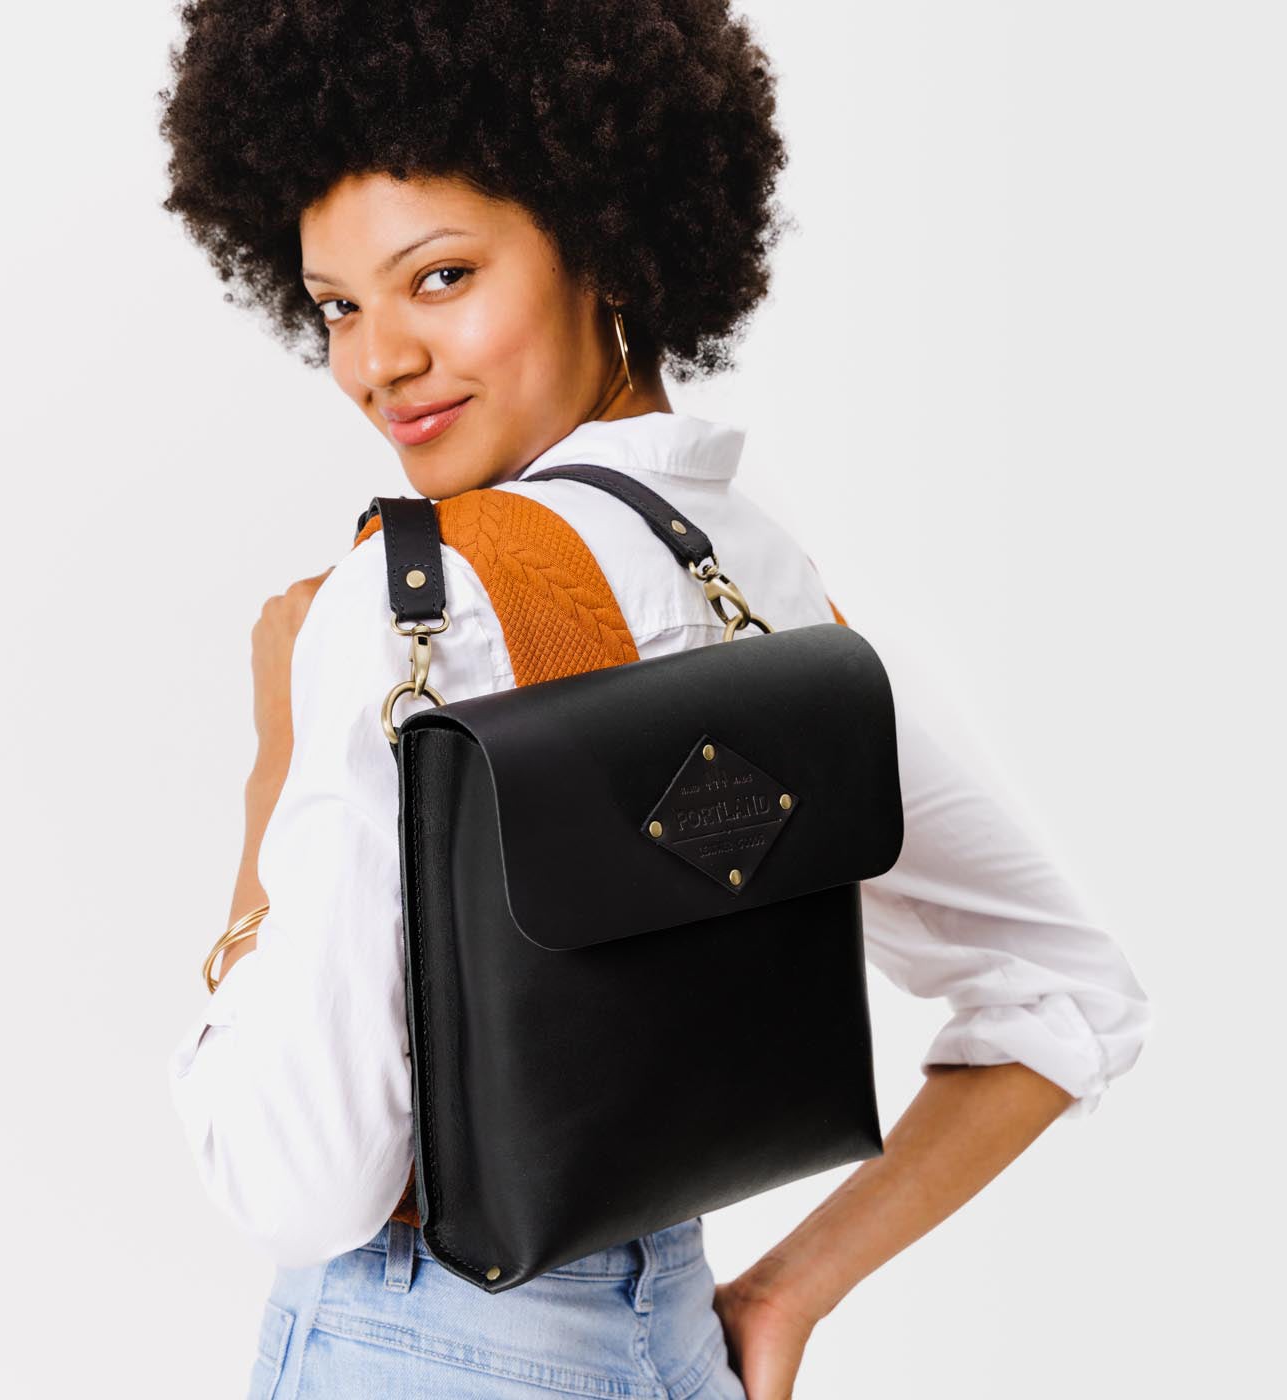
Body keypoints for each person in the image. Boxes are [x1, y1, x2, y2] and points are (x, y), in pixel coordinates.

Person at [158, 3, 1152, 1397]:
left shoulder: (407, 599)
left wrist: (274, 766)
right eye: (338, 305)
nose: (377, 360)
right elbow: (1067, 988)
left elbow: (298, 1181)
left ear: (607, 245)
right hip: (669, 1342)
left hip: (418, 1338)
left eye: (440, 276)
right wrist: (791, 1291)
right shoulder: (758, 570)